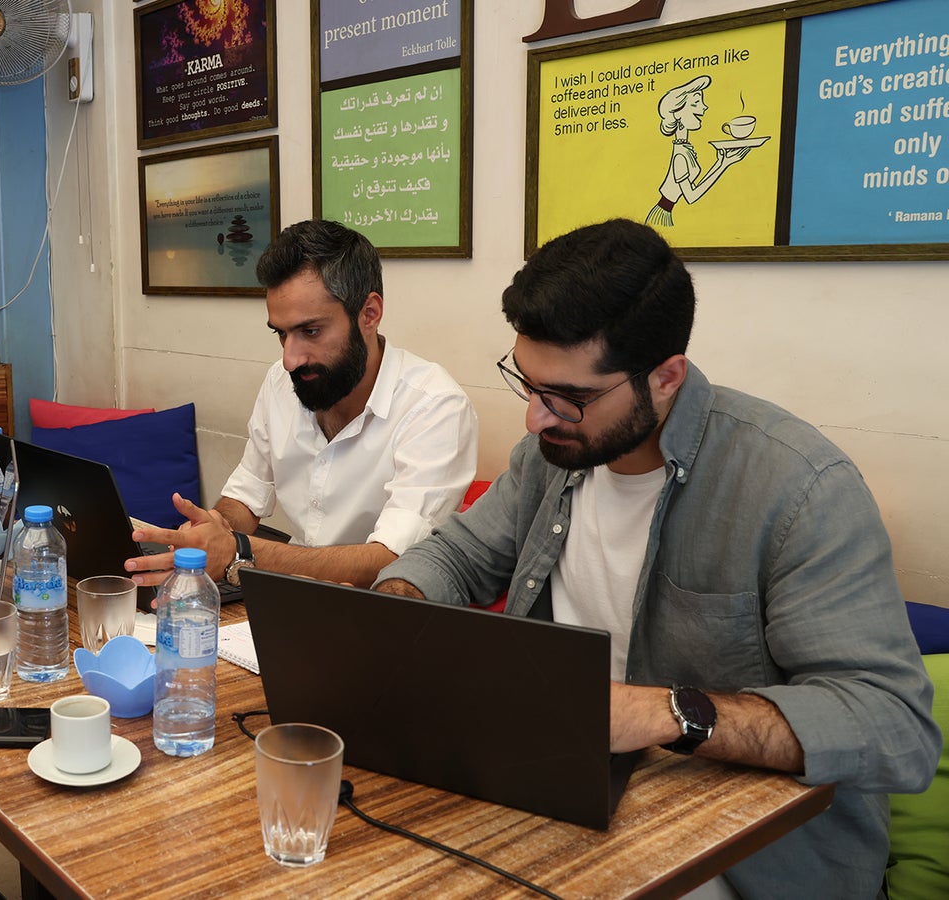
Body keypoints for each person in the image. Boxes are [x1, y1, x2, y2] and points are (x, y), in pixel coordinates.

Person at [373, 219, 939, 899]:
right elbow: (457, 556)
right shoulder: (552, 456)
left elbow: (893, 725)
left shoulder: (798, 488)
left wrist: (664, 713)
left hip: (743, 856)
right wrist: (393, 612)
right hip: (563, 793)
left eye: (571, 398)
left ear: (667, 377)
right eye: (528, 384)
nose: (536, 418)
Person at [126, 219, 478, 590]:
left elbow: (392, 560)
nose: (290, 359)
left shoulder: (435, 406)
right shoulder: (282, 381)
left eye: (310, 331)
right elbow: (246, 496)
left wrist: (237, 551)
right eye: (281, 333)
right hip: (287, 594)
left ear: (369, 314)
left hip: (378, 610)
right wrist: (210, 530)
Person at [645, 75, 750, 227]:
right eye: (696, 103)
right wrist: (723, 165)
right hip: (661, 216)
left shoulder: (683, 148)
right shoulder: (680, 155)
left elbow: (692, 188)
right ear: (677, 113)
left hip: (666, 213)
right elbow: (691, 196)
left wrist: (722, 162)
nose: (704, 107)